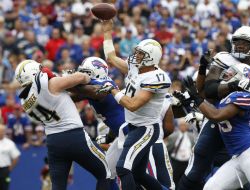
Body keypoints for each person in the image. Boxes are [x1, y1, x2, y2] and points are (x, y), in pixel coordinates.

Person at [75, 56, 175, 189]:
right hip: (123, 134)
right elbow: (115, 117)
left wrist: (64, 82)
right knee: (108, 172)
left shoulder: (99, 88)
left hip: (137, 134)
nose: (82, 75)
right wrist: (110, 136)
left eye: (86, 73)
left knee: (136, 175)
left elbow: (82, 92)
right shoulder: (105, 87)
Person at [177, 25, 250, 190]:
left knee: (243, 170)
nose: (240, 46)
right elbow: (209, 90)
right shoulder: (225, 58)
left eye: (245, 43)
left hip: (243, 122)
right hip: (216, 117)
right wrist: (233, 85)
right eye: (237, 42)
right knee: (200, 162)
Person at [15, 59, 111, 190]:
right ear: (34, 71)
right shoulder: (50, 84)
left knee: (58, 186)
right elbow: (81, 77)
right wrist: (77, 75)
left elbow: (61, 98)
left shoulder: (24, 101)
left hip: (53, 142)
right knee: (105, 173)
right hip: (74, 136)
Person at [100, 20, 171, 190]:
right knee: (138, 174)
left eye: (141, 54)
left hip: (146, 129)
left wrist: (113, 90)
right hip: (133, 126)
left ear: (151, 58)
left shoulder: (156, 78)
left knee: (123, 168)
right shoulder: (136, 67)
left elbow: (132, 105)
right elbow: (111, 57)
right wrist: (107, 31)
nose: (136, 56)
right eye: (137, 53)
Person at [0, 124, 20, 190]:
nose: (0, 132)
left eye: (2, 131)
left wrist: (9, 169)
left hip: (4, 170)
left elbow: (16, 156)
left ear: (4, 132)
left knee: (4, 187)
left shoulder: (9, 143)